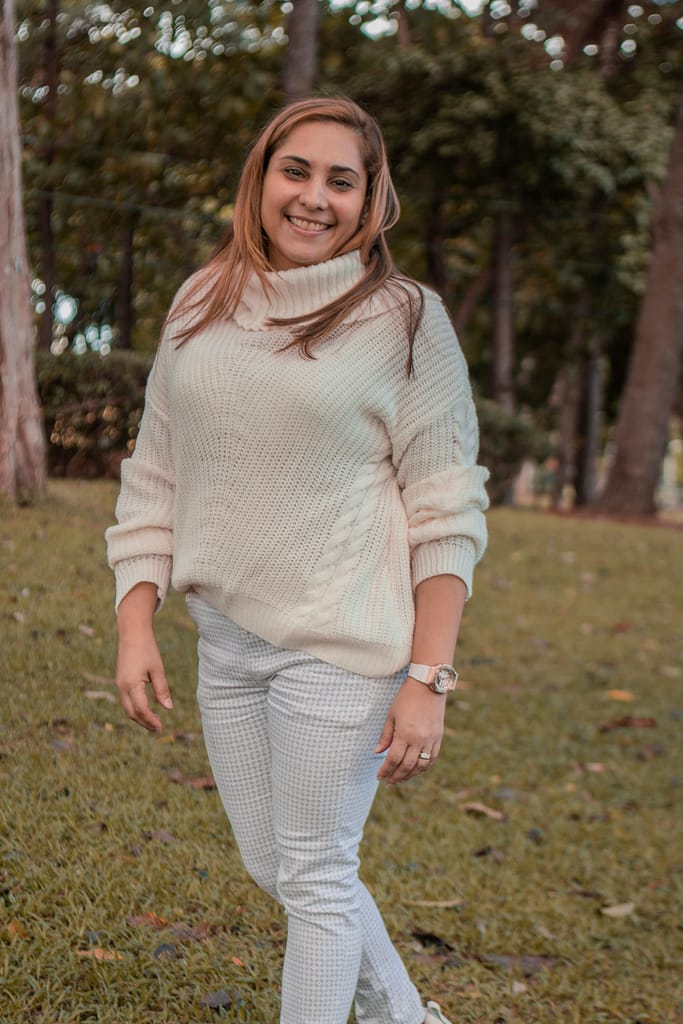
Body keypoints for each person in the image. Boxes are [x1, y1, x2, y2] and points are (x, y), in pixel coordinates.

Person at [106, 96, 489, 1024]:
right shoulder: (203, 299)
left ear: (369, 201)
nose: (314, 197)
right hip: (228, 641)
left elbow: (446, 508)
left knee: (315, 876)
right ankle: (408, 1019)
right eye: (296, 171)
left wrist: (428, 678)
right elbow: (155, 467)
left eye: (340, 180)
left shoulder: (404, 320)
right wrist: (134, 620)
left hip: (341, 644)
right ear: (262, 178)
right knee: (273, 863)